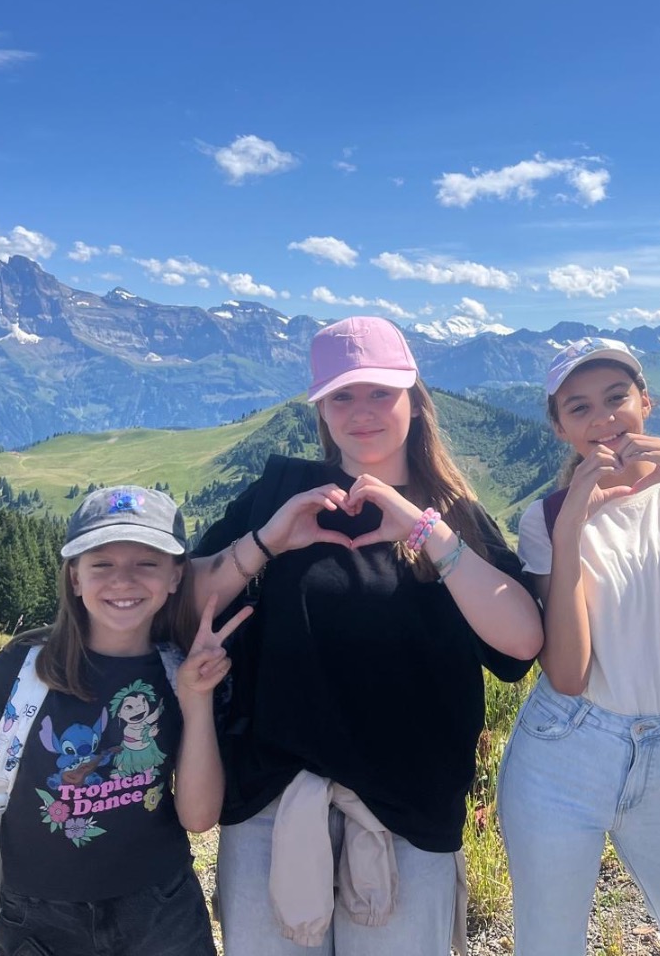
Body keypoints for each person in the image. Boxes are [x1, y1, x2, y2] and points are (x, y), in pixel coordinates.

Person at [189, 315, 543, 956]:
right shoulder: (281, 493)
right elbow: (185, 608)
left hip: (407, 815)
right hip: (273, 809)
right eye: (341, 396)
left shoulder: (453, 514)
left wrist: (428, 534)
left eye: (380, 392)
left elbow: (521, 643)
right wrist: (266, 541)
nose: (361, 412)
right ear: (321, 410)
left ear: (414, 397)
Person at [497, 336, 660, 956]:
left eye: (617, 398)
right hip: (564, 750)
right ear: (559, 428)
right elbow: (568, 672)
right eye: (578, 408)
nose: (603, 419)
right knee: (548, 944)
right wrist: (570, 530)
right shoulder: (547, 517)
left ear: (647, 402)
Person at [0, 486, 244, 956]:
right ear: (75, 577)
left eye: (146, 563)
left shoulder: (179, 672)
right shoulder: (21, 672)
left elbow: (199, 819)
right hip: (37, 920)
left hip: (160, 913)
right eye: (101, 563)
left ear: (176, 576)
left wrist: (196, 700)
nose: (122, 580)